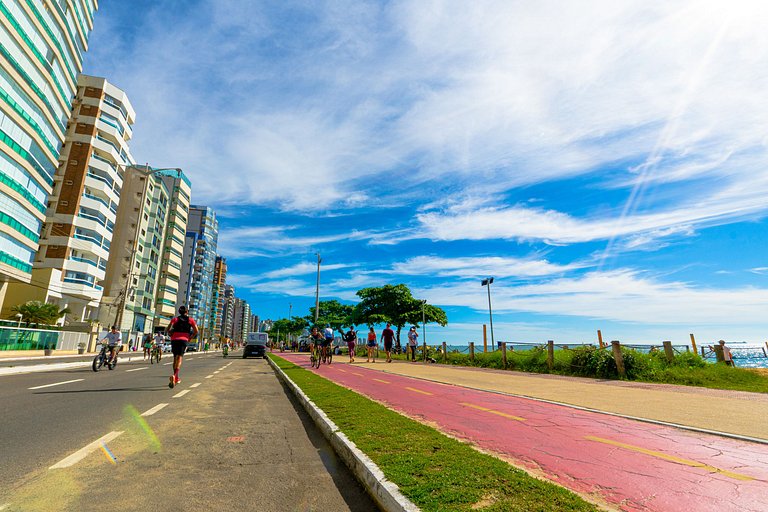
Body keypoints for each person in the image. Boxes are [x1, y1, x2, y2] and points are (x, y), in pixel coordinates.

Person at [167, 306, 198, 388]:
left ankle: (176, 378)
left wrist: (170, 334)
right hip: (183, 340)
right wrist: (190, 337)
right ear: (187, 312)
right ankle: (175, 376)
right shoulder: (190, 320)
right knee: (179, 358)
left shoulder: (175, 319)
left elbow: (168, 329)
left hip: (174, 340)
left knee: (175, 358)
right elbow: (196, 331)